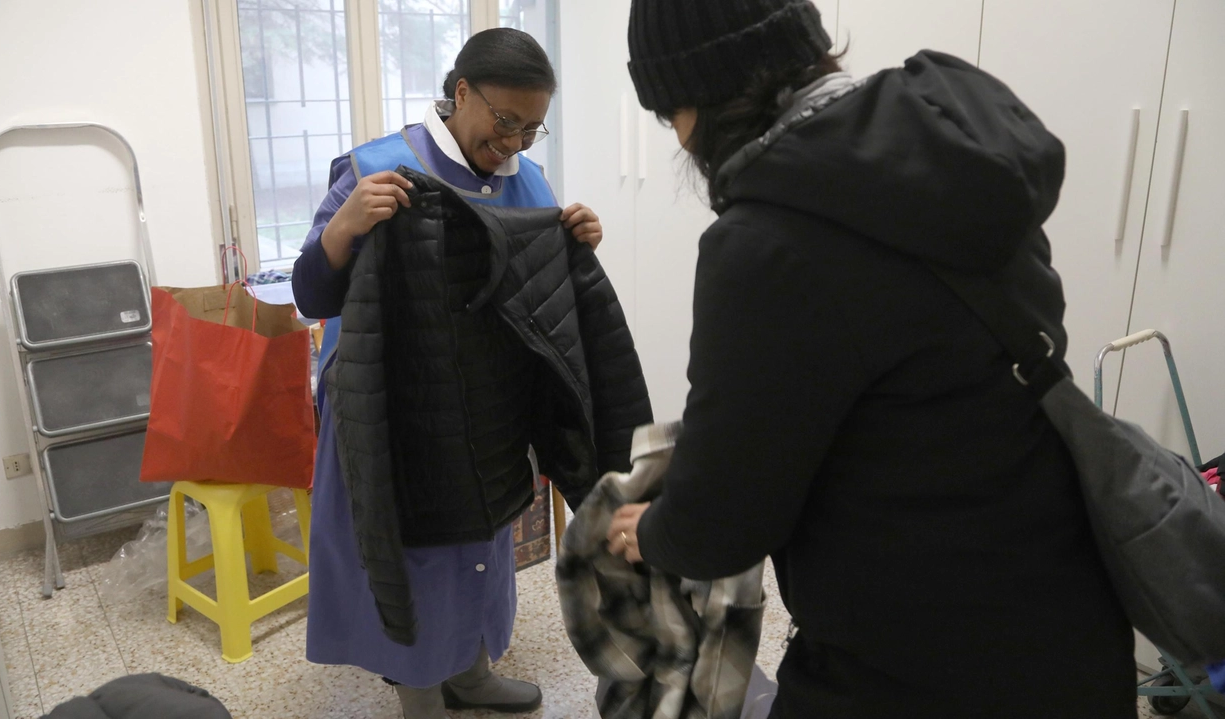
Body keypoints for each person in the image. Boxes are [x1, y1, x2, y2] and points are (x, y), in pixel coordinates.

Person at [608, 1, 1136, 717]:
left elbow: (723, 523)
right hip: (1068, 621)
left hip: (908, 663)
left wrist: (649, 528)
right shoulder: (956, 141)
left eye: (670, 114)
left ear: (700, 97)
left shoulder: (767, 243)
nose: (677, 139)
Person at [292, 28, 604, 719]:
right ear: (462, 92)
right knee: (413, 552)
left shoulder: (525, 179)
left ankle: (470, 669)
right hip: (390, 405)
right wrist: (345, 224)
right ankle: (420, 691)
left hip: (484, 403)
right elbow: (311, 295)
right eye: (504, 121)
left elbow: (532, 287)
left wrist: (571, 238)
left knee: (481, 541)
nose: (516, 142)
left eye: (531, 128)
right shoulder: (381, 167)